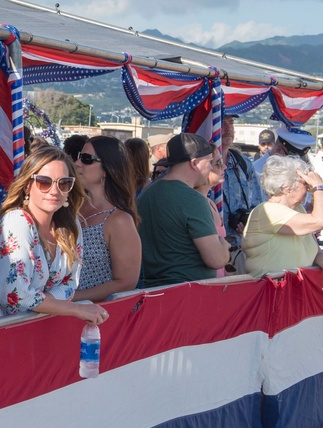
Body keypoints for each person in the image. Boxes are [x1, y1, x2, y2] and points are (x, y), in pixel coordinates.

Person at [241, 154, 323, 428]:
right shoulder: (269, 212)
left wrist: (321, 261)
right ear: (291, 186)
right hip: (271, 306)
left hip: (291, 308)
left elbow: (308, 240)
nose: (307, 191)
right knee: (270, 378)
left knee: (284, 376)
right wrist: (321, 187)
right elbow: (320, 222)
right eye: (304, 186)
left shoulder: (291, 212)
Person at [0, 146, 107, 323]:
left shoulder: (71, 225)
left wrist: (47, 304)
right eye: (44, 182)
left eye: (63, 183)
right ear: (27, 186)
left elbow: (70, 285)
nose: (54, 191)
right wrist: (75, 309)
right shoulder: (17, 220)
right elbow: (14, 297)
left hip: (41, 324)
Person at [138, 133, 229, 288]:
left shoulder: (147, 193)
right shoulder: (193, 199)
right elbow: (216, 260)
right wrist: (224, 247)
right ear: (194, 163)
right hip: (187, 293)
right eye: (209, 163)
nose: (210, 168)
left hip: (152, 290)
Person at [72, 136, 141, 302]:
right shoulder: (71, 208)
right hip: (58, 311)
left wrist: (72, 299)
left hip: (94, 317)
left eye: (87, 159)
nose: (77, 163)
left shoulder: (118, 220)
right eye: (79, 156)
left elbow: (126, 282)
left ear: (107, 169)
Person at [220, 114, 263, 254]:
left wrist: (250, 225)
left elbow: (257, 204)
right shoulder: (200, 167)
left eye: (231, 123)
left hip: (241, 249)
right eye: (221, 123)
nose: (228, 129)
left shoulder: (243, 163)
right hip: (209, 252)